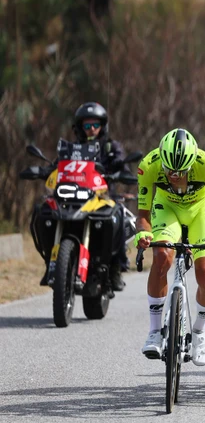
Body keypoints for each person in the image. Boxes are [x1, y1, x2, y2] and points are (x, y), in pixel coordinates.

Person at [135, 129, 205, 366]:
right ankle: (155, 331)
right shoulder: (149, 165)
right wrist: (144, 232)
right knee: (161, 257)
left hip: (200, 210)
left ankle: (199, 331)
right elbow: (143, 215)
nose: (175, 176)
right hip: (167, 208)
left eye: (181, 171)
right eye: (169, 171)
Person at [64, 102, 132, 291]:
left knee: (118, 217)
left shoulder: (110, 146)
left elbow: (122, 164)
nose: (91, 129)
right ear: (80, 127)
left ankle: (116, 268)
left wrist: (120, 167)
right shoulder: (72, 148)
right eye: (87, 125)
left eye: (95, 124)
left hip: (103, 197)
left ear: (102, 126)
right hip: (74, 198)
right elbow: (59, 165)